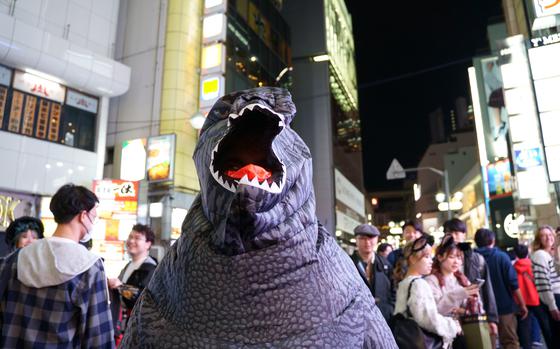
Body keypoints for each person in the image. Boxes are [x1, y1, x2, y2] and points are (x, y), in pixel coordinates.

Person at [0, 184, 114, 348]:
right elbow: (98, 338)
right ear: (83, 216)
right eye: (93, 217)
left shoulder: (12, 260)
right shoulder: (89, 266)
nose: (93, 223)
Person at [393, 236, 461, 348]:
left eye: (431, 257)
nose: (431, 261)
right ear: (413, 259)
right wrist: (452, 326)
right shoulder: (419, 284)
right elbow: (428, 319)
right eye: (427, 257)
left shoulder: (404, 282)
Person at [443, 218, 499, 346]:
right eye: (450, 233)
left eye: (458, 233)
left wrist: (492, 319)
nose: (454, 237)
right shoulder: (440, 260)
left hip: (474, 316)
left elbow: (487, 291)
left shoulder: (477, 259)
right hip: (450, 319)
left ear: (464, 235)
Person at [474, 228, 528, 349]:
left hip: (483, 310)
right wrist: (522, 304)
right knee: (510, 342)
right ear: (493, 240)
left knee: (488, 344)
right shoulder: (502, 257)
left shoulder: (473, 259)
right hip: (505, 308)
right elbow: (513, 283)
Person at [425, 235, 481, 349]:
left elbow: (474, 308)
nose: (457, 261)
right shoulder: (431, 280)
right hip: (442, 336)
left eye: (459, 258)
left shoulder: (463, 280)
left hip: (466, 332)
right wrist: (459, 295)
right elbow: (435, 311)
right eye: (452, 257)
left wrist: (462, 309)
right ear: (440, 257)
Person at [108, 224, 157, 342]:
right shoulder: (129, 265)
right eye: (130, 237)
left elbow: (144, 298)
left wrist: (121, 287)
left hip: (138, 329)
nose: (131, 241)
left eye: (137, 238)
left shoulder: (151, 269)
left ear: (148, 244)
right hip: (124, 324)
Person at [351, 224, 395, 321]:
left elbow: (393, 289)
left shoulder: (385, 264)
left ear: (377, 239)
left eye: (371, 238)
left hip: (384, 318)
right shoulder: (348, 264)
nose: (367, 242)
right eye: (362, 238)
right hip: (357, 319)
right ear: (356, 240)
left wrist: (390, 309)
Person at [531, 225, 560, 349]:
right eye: (543, 235)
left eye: (550, 234)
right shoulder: (540, 255)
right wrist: (552, 305)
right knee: (557, 337)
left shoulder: (548, 254)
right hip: (554, 299)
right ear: (538, 240)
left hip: (555, 297)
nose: (548, 237)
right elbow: (543, 283)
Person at [513, 244, 547, 349]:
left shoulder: (513, 268)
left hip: (520, 300)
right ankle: (538, 339)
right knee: (543, 321)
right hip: (535, 299)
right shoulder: (533, 265)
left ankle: (526, 345)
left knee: (523, 324)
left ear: (515, 254)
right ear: (528, 253)